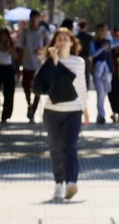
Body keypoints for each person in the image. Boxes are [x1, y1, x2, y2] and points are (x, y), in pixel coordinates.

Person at [34, 27, 87, 202]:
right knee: (55, 148)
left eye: (65, 39)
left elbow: (81, 86)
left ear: (72, 42)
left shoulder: (78, 62)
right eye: (59, 39)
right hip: (52, 112)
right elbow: (44, 85)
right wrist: (53, 62)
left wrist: (85, 109)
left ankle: (71, 182)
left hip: (73, 111)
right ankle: (58, 184)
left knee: (70, 146)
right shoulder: (48, 62)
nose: (62, 42)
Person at [19, 13, 52, 121]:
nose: (34, 21)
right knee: (26, 86)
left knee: (38, 88)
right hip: (27, 63)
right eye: (32, 19)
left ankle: (33, 109)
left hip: (39, 64)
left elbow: (50, 44)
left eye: (36, 19)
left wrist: (42, 51)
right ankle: (29, 105)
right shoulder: (25, 32)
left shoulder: (43, 31)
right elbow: (20, 46)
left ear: (39, 19)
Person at [0, 27, 18, 122]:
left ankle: (6, 115)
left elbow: (15, 56)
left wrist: (10, 49)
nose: (3, 37)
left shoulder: (11, 44)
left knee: (8, 93)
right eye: (2, 35)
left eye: (5, 36)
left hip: (8, 68)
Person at [92, 26, 115, 125]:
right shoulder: (93, 42)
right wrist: (102, 48)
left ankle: (101, 113)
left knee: (104, 92)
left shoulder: (109, 42)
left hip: (107, 71)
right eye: (105, 30)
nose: (107, 31)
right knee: (100, 92)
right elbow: (93, 54)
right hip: (97, 70)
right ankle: (101, 115)